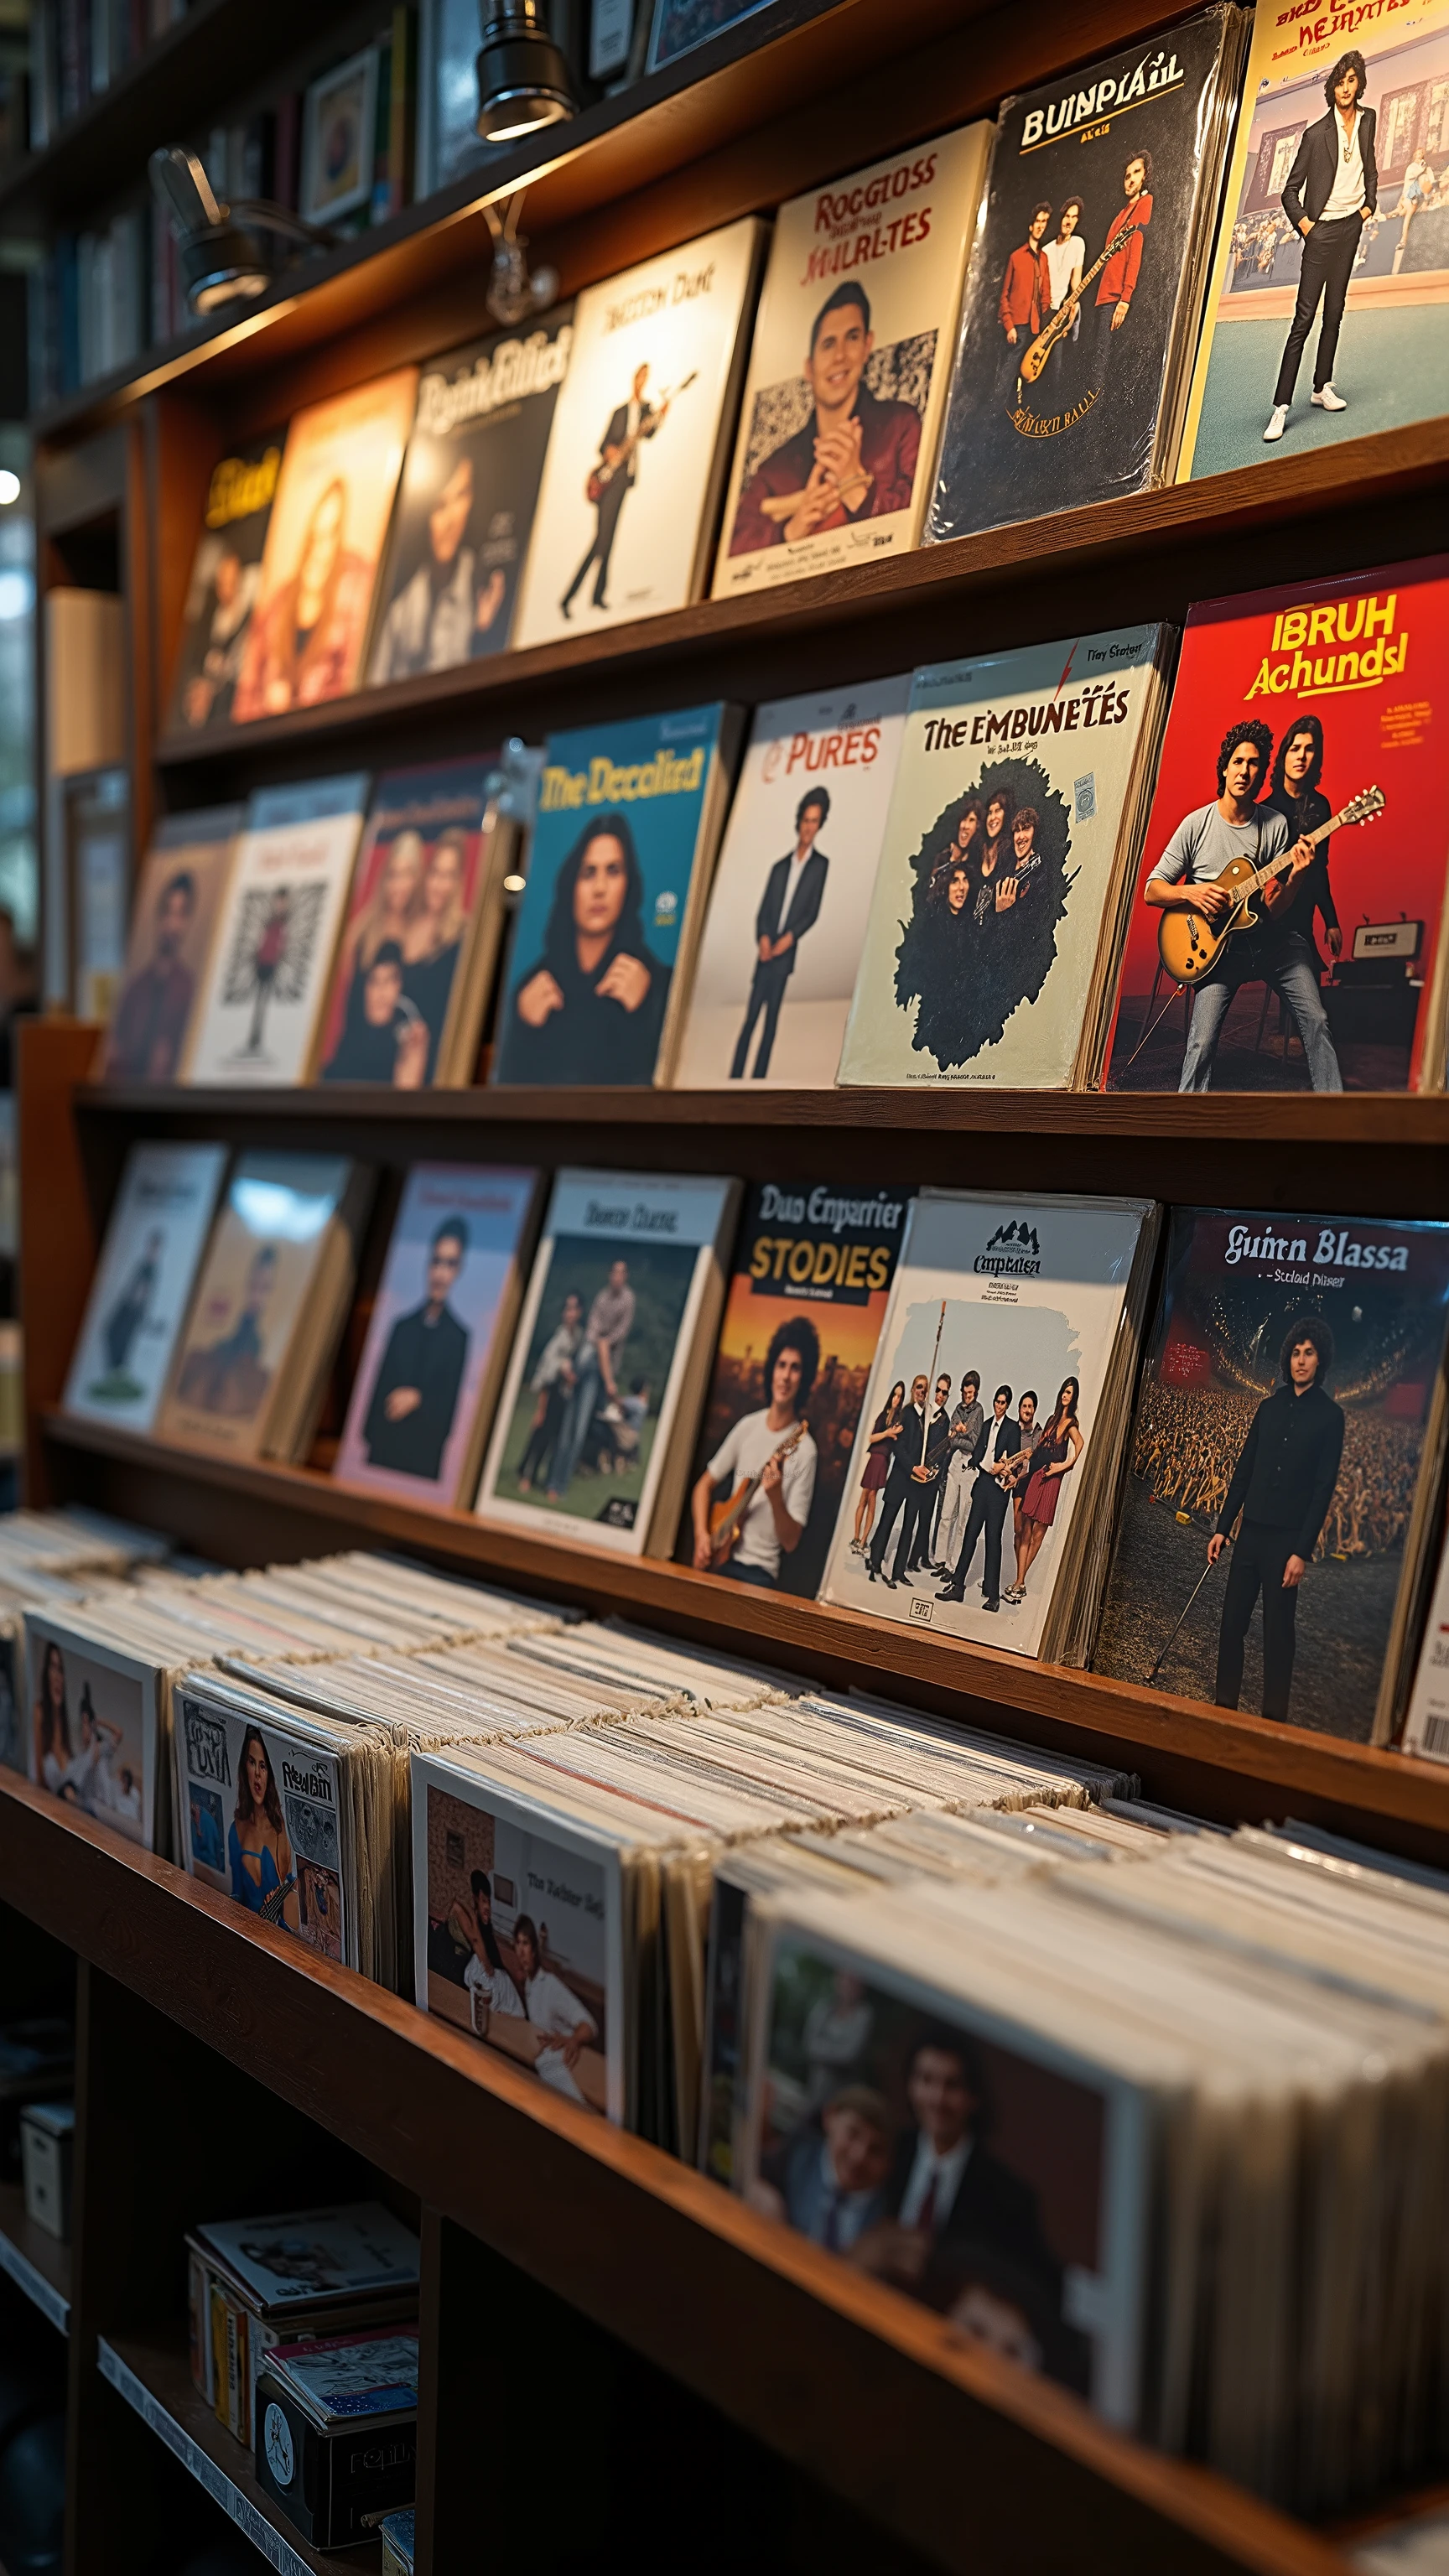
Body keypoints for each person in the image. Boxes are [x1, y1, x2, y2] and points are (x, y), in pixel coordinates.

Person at [1143, 718, 1342, 1093]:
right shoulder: (1196, 825)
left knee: (1317, 1019)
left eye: (1254, 764)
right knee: (1201, 1043)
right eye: (1238, 761)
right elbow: (1152, 891)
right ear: (1225, 767)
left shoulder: (1276, 825)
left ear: (1262, 772)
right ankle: (1185, 1125)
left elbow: (1275, 909)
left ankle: (1338, 1113)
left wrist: (1297, 875)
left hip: (1273, 944)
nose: (1245, 771)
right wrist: (1193, 893)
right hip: (1221, 953)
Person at [1208, 1316, 1345, 1724]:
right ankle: (1224, 1708)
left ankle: (1273, 1721)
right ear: (1288, 1358)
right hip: (1249, 1536)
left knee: (1278, 1636)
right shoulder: (1268, 1409)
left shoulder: (1330, 1417)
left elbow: (1323, 1489)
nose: (1301, 1361)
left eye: (1310, 1353)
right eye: (1296, 1353)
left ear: (1321, 1361)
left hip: (1286, 1544)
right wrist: (1221, 1528)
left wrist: (1301, 1552)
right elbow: (1244, 1472)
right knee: (1232, 1623)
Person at [729, 279, 922, 553]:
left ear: (868, 345)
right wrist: (789, 531)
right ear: (809, 367)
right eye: (828, 344)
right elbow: (735, 551)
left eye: (852, 337)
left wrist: (857, 488)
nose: (840, 356)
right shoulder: (775, 469)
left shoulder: (901, 425)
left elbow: (923, 516)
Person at [853, 2029, 1052, 2286]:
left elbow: (1035, 2285)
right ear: (910, 2086)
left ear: (973, 2098)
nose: (937, 2098)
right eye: (926, 2080)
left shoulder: (1010, 2198)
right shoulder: (883, 2150)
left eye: (952, 2085)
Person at [504, 813, 671, 1086]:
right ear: (571, 884)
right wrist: (525, 1031)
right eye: (588, 873)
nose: (600, 889)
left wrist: (646, 1011)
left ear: (629, 884)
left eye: (613, 871)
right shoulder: (531, 991)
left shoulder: (656, 983)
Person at [1264, 52, 1376, 443]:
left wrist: (1368, 206)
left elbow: (1370, 165)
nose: (1345, 88)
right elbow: (1289, 191)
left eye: (1351, 81)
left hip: (1351, 227)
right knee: (1304, 319)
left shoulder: (1369, 119)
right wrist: (1308, 227)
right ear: (1332, 89)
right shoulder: (1315, 135)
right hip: (1321, 232)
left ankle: (1320, 386)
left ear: (1359, 83)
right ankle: (1280, 407)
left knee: (1335, 312)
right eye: (1339, 82)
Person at [692, 1317, 819, 1587]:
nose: (785, 1376)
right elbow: (704, 1486)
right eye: (781, 1365)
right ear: (771, 1369)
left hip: (759, 1573)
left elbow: (791, 1541)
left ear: (804, 1378)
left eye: (795, 1369)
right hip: (719, 1558)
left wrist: (775, 1496)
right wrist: (703, 1536)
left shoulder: (805, 1450)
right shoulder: (748, 1426)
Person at [236, 477, 374, 714]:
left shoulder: (356, 586)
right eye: (315, 536)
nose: (320, 549)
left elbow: (353, 677)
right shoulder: (279, 602)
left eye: (330, 535)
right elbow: (247, 692)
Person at [361, 1215, 471, 1483]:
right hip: (381, 1458)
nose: (440, 1274)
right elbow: (374, 1405)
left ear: (458, 1270)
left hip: (421, 1466)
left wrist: (418, 1400)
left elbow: (447, 1417)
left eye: (450, 1264)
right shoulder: (401, 1327)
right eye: (436, 1262)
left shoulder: (458, 1338)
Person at [730, 788, 831, 1079]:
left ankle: (757, 1080)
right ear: (798, 822)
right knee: (749, 1020)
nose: (809, 826)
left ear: (820, 824)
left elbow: (811, 912)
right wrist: (763, 938)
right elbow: (763, 913)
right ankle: (735, 1078)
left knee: (771, 1022)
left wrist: (790, 938)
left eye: (815, 821)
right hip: (764, 955)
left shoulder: (820, 866)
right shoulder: (778, 868)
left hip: (784, 957)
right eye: (806, 820)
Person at [561, 363, 670, 617]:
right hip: (607, 481)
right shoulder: (619, 412)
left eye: (646, 378)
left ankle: (593, 596)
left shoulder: (646, 410)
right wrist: (611, 452)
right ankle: (573, 597)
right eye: (639, 377)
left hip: (624, 480)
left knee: (605, 540)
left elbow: (650, 432)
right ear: (634, 379)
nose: (642, 382)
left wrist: (663, 414)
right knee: (602, 541)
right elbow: (603, 446)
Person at [371, 451, 480, 681]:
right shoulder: (399, 613)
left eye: (461, 496)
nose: (450, 521)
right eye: (440, 506)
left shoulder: (485, 585)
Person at [325, 832, 426, 1077]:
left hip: (401, 1061)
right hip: (355, 1057)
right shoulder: (361, 933)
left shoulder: (423, 932)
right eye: (393, 875)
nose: (400, 885)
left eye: (408, 875)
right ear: (384, 879)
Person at [750, 2085, 894, 2251]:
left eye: (875, 2150)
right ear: (830, 2117)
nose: (859, 2157)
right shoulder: (795, 2157)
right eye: (852, 2134)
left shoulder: (888, 2215)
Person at [551, 1258, 636, 1498]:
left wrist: (604, 1348)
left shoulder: (628, 1300)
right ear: (610, 1275)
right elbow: (593, 1331)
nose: (617, 1277)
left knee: (581, 1428)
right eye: (614, 1272)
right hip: (592, 1363)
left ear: (625, 1276)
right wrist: (600, 1346)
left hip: (605, 1363)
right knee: (572, 1426)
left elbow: (618, 1334)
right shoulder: (602, 1297)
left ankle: (561, 1482)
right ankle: (556, 1482)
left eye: (621, 1273)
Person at [1263, 714, 1342, 966]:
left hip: (1302, 914)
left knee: (1310, 975)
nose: (1301, 756)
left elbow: (1320, 870)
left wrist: (1331, 923)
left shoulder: (1321, 807)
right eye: (1295, 748)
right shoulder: (1263, 810)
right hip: (1265, 914)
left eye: (1309, 749)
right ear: (1284, 754)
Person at [937, 1385, 1021, 1613]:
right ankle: (958, 1587)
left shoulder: (1013, 1429)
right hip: (982, 1484)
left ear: (1008, 1404)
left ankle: (993, 1596)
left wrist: (1005, 1468)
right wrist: (977, 1465)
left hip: (997, 1493)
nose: (999, 1405)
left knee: (993, 1540)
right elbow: (978, 1455)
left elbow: (1016, 1463)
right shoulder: (985, 1425)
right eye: (997, 1401)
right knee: (970, 1534)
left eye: (1003, 1402)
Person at [108, 871, 198, 1081]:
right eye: (168, 912)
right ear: (159, 917)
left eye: (180, 914)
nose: (172, 925)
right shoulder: (134, 989)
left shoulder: (188, 988)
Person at [402, 829, 470, 1081]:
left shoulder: (462, 938)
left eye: (449, 876)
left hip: (429, 1071)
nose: (439, 885)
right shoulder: (403, 923)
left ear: (458, 882)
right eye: (436, 873)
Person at [179, 1244, 277, 1418]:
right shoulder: (226, 1322)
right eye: (253, 1285)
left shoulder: (259, 1339)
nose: (256, 1295)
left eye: (264, 1288)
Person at [509, 1913, 598, 2104]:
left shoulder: (550, 1986)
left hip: (563, 2067)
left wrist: (573, 2039)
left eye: (525, 1944)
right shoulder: (530, 1984)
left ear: (533, 1949)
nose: (521, 1951)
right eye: (518, 1943)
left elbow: (589, 2025)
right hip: (542, 2066)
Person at [1009, 1379, 1082, 1604]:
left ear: (1074, 1395)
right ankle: (1019, 1582)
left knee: (1039, 1533)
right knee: (1025, 1529)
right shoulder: (1051, 1420)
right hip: (1037, 1476)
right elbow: (1038, 1449)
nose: (1065, 1395)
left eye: (1069, 1392)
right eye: (1063, 1391)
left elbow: (1080, 1445)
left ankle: (1019, 1583)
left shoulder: (1071, 1423)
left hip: (1052, 1481)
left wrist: (1064, 1466)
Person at [322, 943, 428, 1085]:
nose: (382, 991)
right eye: (374, 980)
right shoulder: (340, 1063)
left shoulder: (408, 1045)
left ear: (401, 985)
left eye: (390, 979)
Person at [227, 1727, 299, 1931]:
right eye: (252, 1763)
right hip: (245, 1934)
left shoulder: (280, 1828)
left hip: (279, 1936)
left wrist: (283, 1899)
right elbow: (236, 1894)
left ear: (269, 1775)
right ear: (245, 1768)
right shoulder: (237, 1829)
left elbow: (292, 1888)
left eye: (263, 1766)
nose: (257, 1774)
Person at [1091, 151, 1153, 384]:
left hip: (1117, 298)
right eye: (1127, 175)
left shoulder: (1145, 202)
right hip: (1103, 297)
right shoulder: (1121, 214)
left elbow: (1135, 251)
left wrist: (1125, 298)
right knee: (1097, 365)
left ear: (1146, 174)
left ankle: (1094, 419)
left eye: (1136, 172)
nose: (1131, 179)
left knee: (1102, 370)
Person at [179, 543, 257, 728]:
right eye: (222, 584)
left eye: (232, 581)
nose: (227, 590)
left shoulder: (251, 611)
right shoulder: (210, 623)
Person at [866, 1372, 931, 1587]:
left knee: (908, 1527)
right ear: (913, 1391)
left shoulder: (927, 1417)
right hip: (900, 1478)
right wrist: (912, 1466)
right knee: (887, 1521)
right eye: (918, 1387)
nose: (922, 1391)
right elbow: (899, 1447)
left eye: (925, 1388)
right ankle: (875, 1563)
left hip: (915, 1484)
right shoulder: (906, 1412)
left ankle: (899, 1571)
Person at [518, 1290, 583, 1493]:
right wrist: (541, 1408)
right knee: (541, 1435)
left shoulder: (579, 1336)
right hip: (551, 1391)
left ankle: (534, 1473)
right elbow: (547, 1369)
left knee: (553, 1439)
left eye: (573, 1309)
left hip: (565, 1396)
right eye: (567, 1308)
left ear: (580, 1312)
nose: (569, 1313)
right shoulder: (559, 1336)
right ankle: (527, 1476)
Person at [95, 1229, 163, 1393]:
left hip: (135, 1311)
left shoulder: (152, 1269)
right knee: (111, 1332)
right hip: (126, 1305)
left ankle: (117, 1374)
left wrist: (140, 1307)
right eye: (151, 1245)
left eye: (155, 1247)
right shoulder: (142, 1264)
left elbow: (145, 1292)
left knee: (124, 1340)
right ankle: (113, 1373)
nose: (152, 1249)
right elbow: (132, 1287)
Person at [997, 200, 1052, 394]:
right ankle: (995, 416)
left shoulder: (1044, 258)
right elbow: (1003, 296)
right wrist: (1009, 326)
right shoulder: (1016, 257)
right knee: (1006, 379)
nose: (1041, 225)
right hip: (1017, 328)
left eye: (1045, 221)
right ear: (1031, 225)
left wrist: (1042, 319)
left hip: (1036, 329)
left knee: (1028, 381)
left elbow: (1046, 294)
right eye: (1038, 221)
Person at [933, 1372, 984, 1572]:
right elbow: (951, 1437)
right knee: (947, 1514)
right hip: (955, 1462)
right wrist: (961, 1433)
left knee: (963, 1517)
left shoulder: (978, 1411)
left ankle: (952, 1566)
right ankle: (940, 1560)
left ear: (976, 1392)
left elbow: (973, 1443)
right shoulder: (957, 1408)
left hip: (969, 1465)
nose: (967, 1396)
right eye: (965, 1392)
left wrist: (959, 1434)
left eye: (970, 1393)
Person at [802, 1971, 874, 2111]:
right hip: (814, 2092)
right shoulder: (823, 2008)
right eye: (845, 1979)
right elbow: (809, 2045)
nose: (848, 1985)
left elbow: (849, 2055)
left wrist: (823, 2049)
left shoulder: (864, 2016)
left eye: (853, 1981)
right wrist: (836, 2049)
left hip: (841, 2100)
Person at [461, 1871, 524, 2020]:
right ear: (476, 1899)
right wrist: (488, 1966)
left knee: (507, 1987)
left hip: (494, 1969)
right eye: (483, 1901)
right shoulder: (474, 1919)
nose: (487, 1906)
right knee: (498, 1986)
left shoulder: (486, 1920)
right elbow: (477, 1943)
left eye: (488, 1901)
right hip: (484, 1968)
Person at [853, 1380, 906, 1555]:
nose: (896, 1399)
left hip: (882, 1459)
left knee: (872, 1498)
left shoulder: (899, 1419)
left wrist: (890, 1434)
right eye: (895, 1395)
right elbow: (872, 1438)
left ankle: (864, 1539)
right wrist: (887, 1433)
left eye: (899, 1396)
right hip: (874, 1457)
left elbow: (896, 1438)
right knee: (863, 1498)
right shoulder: (883, 1416)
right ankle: (856, 1537)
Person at [243, 889, 293, 1057]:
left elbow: (282, 946)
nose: (279, 905)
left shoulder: (285, 925)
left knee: (264, 1003)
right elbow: (262, 942)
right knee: (258, 1003)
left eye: (282, 902)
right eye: (277, 902)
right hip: (261, 965)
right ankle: (253, 1037)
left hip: (272, 966)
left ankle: (258, 1038)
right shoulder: (269, 922)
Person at [32, 1639, 72, 1797]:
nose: (58, 1677)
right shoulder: (39, 1712)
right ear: (46, 1673)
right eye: (53, 1668)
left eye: (60, 1670)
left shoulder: (64, 1723)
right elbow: (39, 1777)